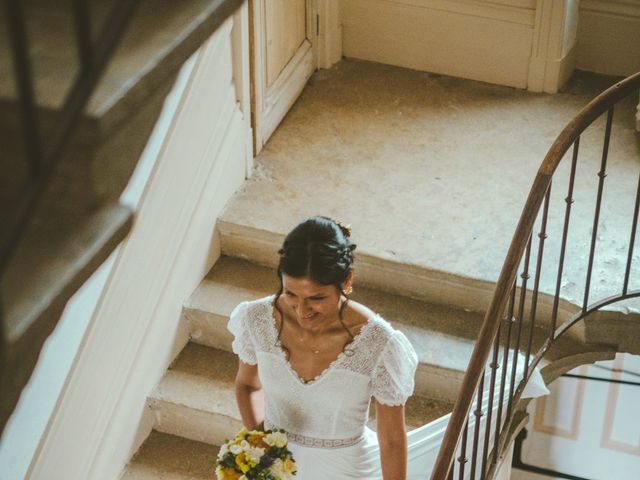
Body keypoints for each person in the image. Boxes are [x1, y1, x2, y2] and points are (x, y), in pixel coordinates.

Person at [228, 215, 419, 479]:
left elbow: (392, 441)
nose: (302, 311)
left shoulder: (380, 343)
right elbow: (248, 385)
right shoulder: (256, 319)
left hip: (348, 470)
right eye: (290, 294)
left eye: (316, 298)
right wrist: (260, 446)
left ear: (346, 280)